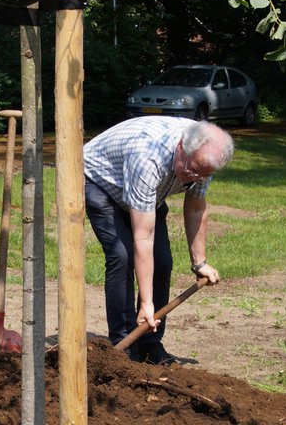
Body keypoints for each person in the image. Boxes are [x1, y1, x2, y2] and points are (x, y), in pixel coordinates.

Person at [83, 116, 233, 365]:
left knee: (162, 262)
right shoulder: (148, 155)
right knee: (123, 256)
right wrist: (147, 302)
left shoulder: (202, 161)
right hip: (102, 182)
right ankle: (125, 345)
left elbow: (196, 207)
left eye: (201, 175)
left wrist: (199, 262)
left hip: (145, 194)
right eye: (191, 169)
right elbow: (143, 237)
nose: (193, 178)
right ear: (181, 147)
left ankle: (150, 344)